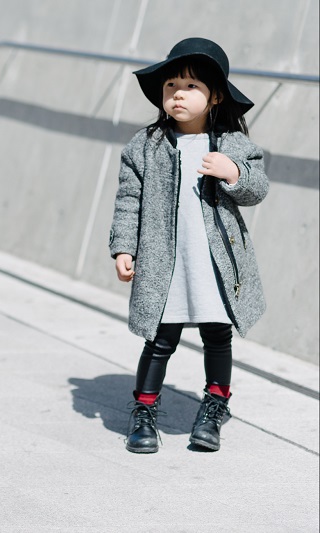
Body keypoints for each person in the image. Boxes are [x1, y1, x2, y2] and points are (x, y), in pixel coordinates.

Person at [109, 38, 268, 454]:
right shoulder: (146, 145)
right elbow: (128, 200)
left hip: (214, 263)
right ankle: (144, 411)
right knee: (160, 338)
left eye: (190, 86)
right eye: (171, 86)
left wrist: (233, 172)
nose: (178, 94)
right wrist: (124, 247)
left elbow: (257, 187)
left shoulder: (231, 143)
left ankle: (215, 406)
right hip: (165, 264)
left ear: (215, 96)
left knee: (218, 335)